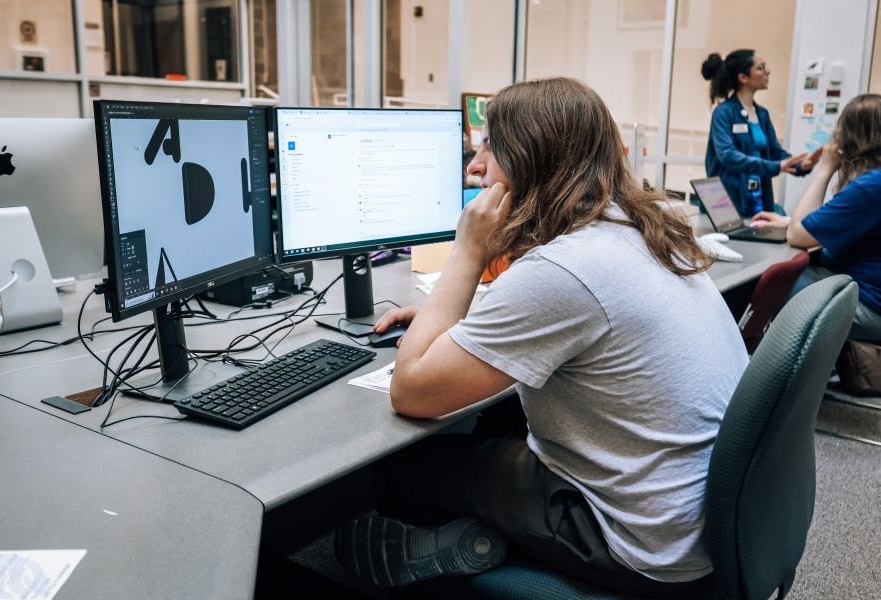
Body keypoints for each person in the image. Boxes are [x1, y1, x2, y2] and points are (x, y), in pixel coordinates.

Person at [334, 77, 749, 597]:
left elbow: (411, 390)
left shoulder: (565, 269)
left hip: (638, 542)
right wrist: (459, 314)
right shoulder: (639, 228)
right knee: (492, 423)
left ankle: (468, 556)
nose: (474, 165)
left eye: (491, 146)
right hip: (698, 516)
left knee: (408, 468)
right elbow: (562, 306)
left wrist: (467, 252)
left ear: (534, 160)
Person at [751, 93, 881, 342]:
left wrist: (826, 169)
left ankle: (774, 369)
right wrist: (789, 222)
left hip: (870, 307)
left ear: (853, 136)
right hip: (868, 295)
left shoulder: (872, 185)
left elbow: (798, 237)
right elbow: (838, 225)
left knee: (781, 281)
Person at [701, 49, 821, 216]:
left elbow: (775, 152)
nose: (768, 71)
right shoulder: (723, 113)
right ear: (743, 77)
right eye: (761, 68)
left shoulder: (762, 114)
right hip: (727, 204)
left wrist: (801, 165)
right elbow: (727, 156)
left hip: (759, 200)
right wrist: (777, 167)